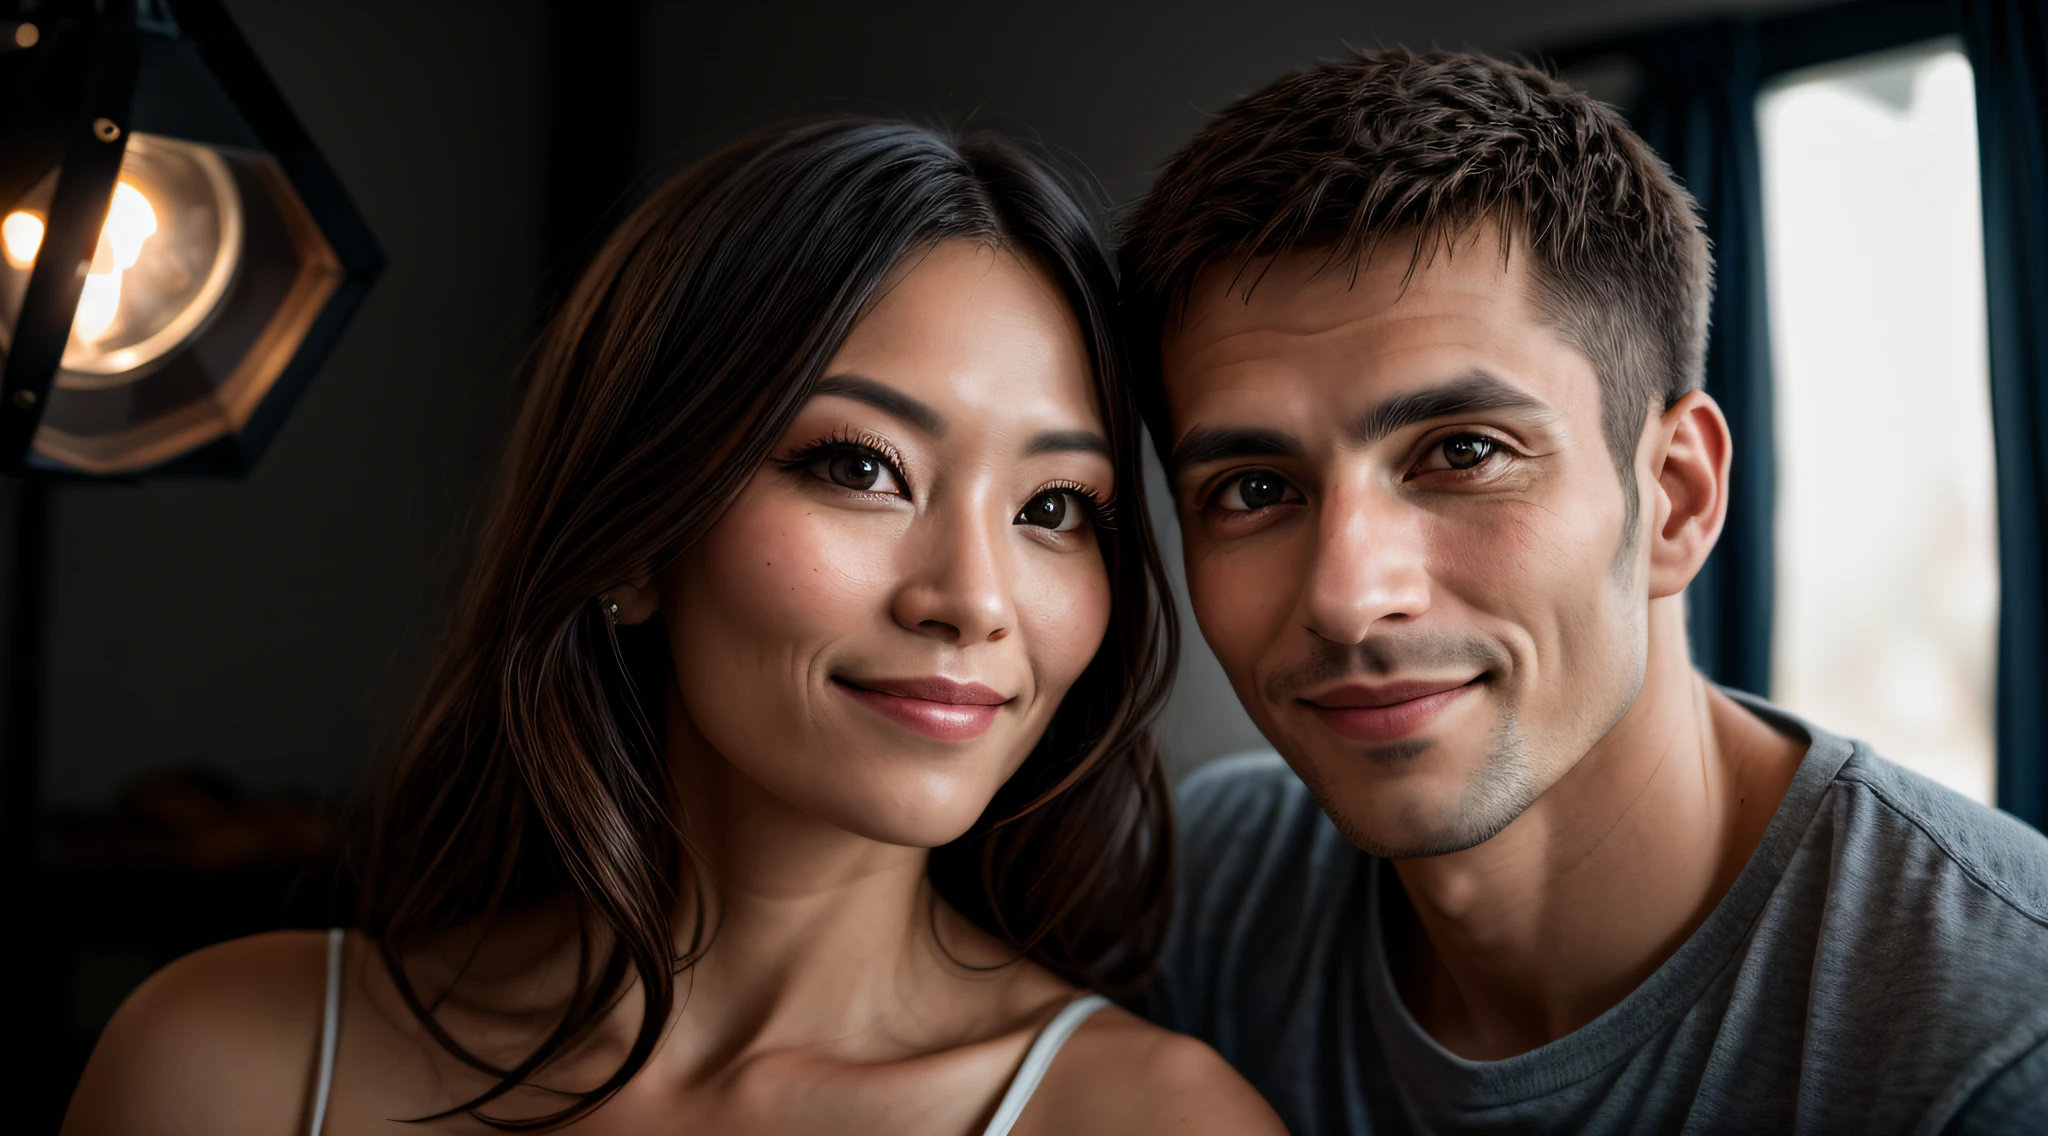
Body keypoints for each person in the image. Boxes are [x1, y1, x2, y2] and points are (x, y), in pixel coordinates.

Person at [61, 119, 1283, 1135]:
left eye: (1054, 506)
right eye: (859, 466)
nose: (971, 596)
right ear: (637, 534)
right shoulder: (226, 1062)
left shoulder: (1154, 1117)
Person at [1121, 48, 2048, 1135]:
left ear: (1674, 495)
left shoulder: (1997, 1036)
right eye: (1254, 487)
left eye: (1461, 451)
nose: (1346, 594)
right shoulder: (1208, 892)